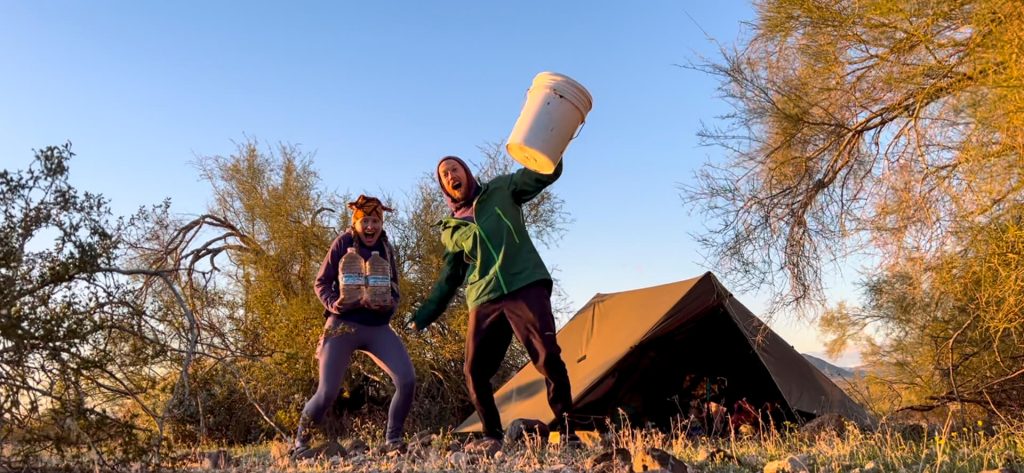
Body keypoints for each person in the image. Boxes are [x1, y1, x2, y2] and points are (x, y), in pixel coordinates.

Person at [408, 156, 576, 452]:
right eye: (444, 175)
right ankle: (492, 435)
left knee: (547, 355)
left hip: (524, 282)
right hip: (484, 296)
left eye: (454, 170)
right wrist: (423, 315)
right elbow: (449, 278)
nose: (450, 176)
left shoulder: (502, 188)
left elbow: (543, 174)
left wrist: (551, 148)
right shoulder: (451, 229)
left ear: (466, 172)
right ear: (444, 186)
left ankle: (566, 430)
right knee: (474, 370)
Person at [291, 195, 415, 458]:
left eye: (375, 221)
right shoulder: (342, 243)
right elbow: (321, 282)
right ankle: (300, 443)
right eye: (365, 221)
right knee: (328, 392)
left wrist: (389, 305)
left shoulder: (386, 248)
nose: (370, 227)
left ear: (381, 223)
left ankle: (394, 439)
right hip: (342, 325)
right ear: (356, 223)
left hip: (377, 327)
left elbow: (395, 289)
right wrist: (333, 304)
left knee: (407, 380)